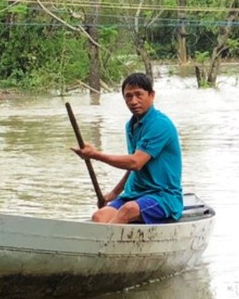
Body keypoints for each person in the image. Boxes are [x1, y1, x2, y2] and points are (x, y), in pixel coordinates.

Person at [71, 72, 182, 224]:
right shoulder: (131, 126)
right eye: (128, 96)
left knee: (128, 210)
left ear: (151, 95)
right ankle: (108, 242)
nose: (134, 101)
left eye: (139, 95)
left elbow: (135, 162)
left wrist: (94, 155)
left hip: (163, 197)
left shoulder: (160, 124)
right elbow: (133, 169)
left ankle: (103, 245)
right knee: (100, 216)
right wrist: (114, 194)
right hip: (134, 194)